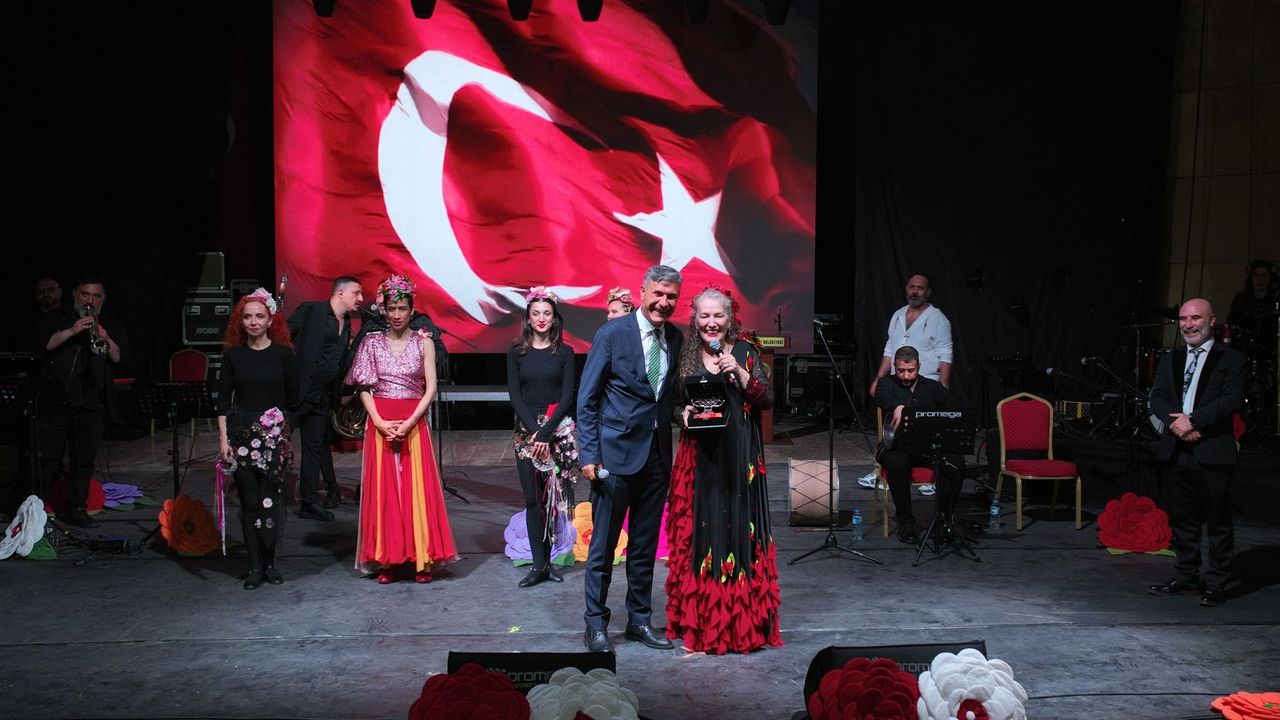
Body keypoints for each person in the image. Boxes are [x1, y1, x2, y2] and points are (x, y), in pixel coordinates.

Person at [664, 286, 782, 654]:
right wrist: (681, 415)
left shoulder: (746, 352)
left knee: (739, 532)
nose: (711, 322)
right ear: (695, 319)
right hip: (700, 459)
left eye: (718, 315)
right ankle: (702, 622)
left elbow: (766, 399)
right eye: (705, 315)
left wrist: (741, 374)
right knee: (702, 532)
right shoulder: (685, 354)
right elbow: (673, 403)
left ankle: (742, 624)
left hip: (740, 457)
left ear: (730, 319)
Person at [577, 264, 683, 654]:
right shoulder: (612, 334)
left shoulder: (675, 336)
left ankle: (639, 620)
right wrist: (589, 453)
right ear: (642, 292)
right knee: (603, 547)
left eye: (671, 296)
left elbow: (666, 398)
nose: (664, 302)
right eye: (658, 294)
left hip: (656, 457)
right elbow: (587, 399)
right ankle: (595, 624)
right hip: (614, 457)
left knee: (644, 546)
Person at [343, 274, 458, 583]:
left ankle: (422, 559)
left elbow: (430, 388)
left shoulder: (424, 342)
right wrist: (379, 422)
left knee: (415, 490)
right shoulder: (371, 342)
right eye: (391, 308)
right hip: (380, 420)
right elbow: (363, 387)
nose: (396, 314)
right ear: (383, 309)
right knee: (384, 492)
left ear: (411, 310)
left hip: (413, 420)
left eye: (402, 308)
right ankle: (387, 560)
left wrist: (409, 423)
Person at [1147, 298, 1245, 608]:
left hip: (1212, 449)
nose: (1188, 325)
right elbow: (1157, 398)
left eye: (1195, 318)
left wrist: (1195, 421)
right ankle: (1186, 576)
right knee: (1183, 518)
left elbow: (1231, 400)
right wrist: (1178, 425)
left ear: (1211, 321)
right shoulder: (1171, 359)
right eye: (1183, 319)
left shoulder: (1232, 358)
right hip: (1176, 449)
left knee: (1217, 520)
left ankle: (1216, 583)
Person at [30, 278, 131, 528]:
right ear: (75, 294)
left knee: (83, 461)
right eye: (85, 294)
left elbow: (118, 357)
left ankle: (77, 508)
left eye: (96, 296)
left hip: (91, 404)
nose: (90, 301)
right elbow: (44, 344)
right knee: (46, 460)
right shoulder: (56, 317)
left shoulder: (111, 323)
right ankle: (34, 509)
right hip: (55, 403)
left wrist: (105, 337)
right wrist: (73, 330)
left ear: (103, 299)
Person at [216, 288, 299, 590]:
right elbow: (223, 400)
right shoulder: (233, 356)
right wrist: (223, 439)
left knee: (270, 502)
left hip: (273, 438)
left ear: (270, 320)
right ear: (241, 321)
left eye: (259, 316)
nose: (253, 322)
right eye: (247, 317)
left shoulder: (283, 355)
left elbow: (295, 398)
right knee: (250, 503)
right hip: (241, 437)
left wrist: (283, 431)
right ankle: (254, 567)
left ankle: (270, 564)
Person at [506, 286, 577, 587]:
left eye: (547, 313)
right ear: (528, 318)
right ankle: (538, 565)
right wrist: (535, 434)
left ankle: (549, 562)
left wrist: (546, 433)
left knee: (551, 500)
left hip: (555, 433)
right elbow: (515, 396)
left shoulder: (565, 353)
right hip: (527, 436)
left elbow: (567, 396)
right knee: (533, 499)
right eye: (536, 313)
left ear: (555, 317)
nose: (542, 318)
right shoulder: (516, 353)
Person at [865, 273, 954, 493]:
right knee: (891, 427)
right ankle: (883, 471)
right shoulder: (897, 315)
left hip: (926, 383)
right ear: (906, 288)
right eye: (912, 287)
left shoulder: (938, 319)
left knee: (922, 433)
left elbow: (946, 354)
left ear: (928, 291)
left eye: (920, 288)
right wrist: (878, 378)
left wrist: (942, 388)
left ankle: (931, 477)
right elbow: (889, 350)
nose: (915, 291)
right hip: (897, 382)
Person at [287, 276, 364, 520]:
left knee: (313, 449)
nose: (361, 298)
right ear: (340, 293)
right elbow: (281, 338)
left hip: (321, 396)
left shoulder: (347, 323)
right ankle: (265, 498)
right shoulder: (312, 311)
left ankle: (309, 502)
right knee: (276, 443)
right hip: (296, 393)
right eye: (356, 293)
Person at [873, 345, 963, 545]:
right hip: (896, 446)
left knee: (955, 463)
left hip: (927, 447)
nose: (906, 376)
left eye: (911, 370)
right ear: (895, 366)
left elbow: (954, 406)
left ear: (919, 366)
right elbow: (881, 396)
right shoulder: (886, 383)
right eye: (901, 371)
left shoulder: (931, 386)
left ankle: (943, 523)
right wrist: (897, 406)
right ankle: (906, 524)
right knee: (898, 464)